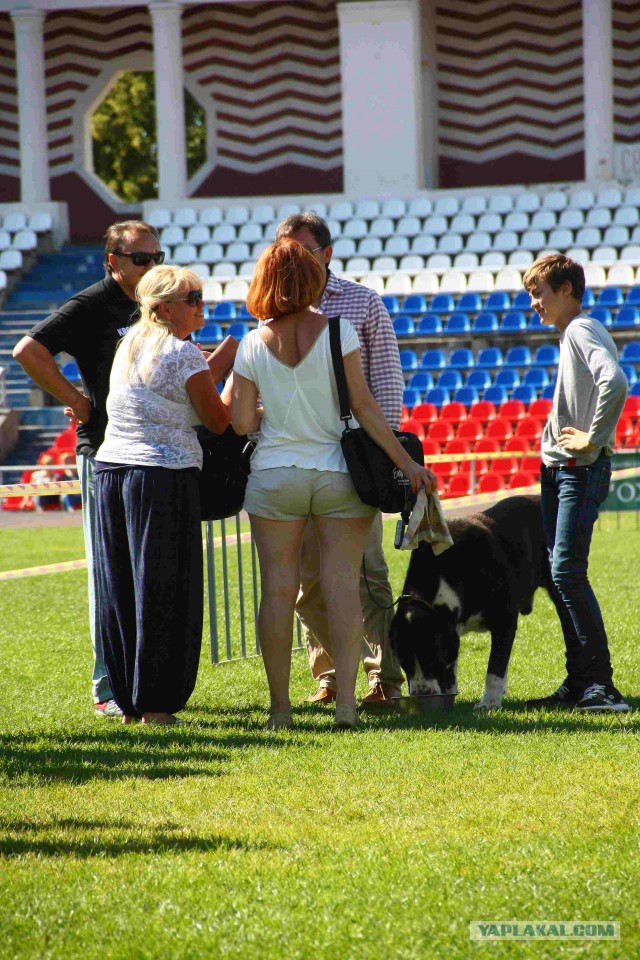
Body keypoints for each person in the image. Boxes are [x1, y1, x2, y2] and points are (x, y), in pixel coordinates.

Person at [231, 239, 436, 730]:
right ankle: (347, 705)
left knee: (279, 592)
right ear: (314, 280)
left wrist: (272, 408)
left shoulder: (250, 343)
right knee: (344, 587)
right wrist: (409, 466)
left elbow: (240, 422)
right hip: (337, 475)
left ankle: (280, 709)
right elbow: (365, 407)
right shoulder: (339, 331)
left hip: (274, 476)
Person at [13, 221, 165, 718]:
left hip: (149, 451)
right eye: (140, 258)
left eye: (156, 256)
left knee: (143, 572)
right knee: (108, 571)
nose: (150, 266)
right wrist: (77, 400)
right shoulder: (90, 304)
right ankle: (108, 687)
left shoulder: (153, 303)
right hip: (102, 452)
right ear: (112, 262)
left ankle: (142, 680)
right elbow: (28, 350)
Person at [274, 212, 407, 709]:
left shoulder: (363, 302)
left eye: (303, 251)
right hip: (296, 455)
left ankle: (383, 678)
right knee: (308, 577)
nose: (292, 260)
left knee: (367, 572)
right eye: (284, 250)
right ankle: (328, 674)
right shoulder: (271, 305)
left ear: (326, 254)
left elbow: (386, 386)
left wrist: (385, 457)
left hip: (355, 456)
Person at [94, 265, 230, 725]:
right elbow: (217, 420)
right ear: (164, 307)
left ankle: (130, 701)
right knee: (164, 588)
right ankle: (157, 703)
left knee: (122, 588)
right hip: (162, 477)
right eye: (192, 298)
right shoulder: (183, 353)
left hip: (112, 471)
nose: (201, 306)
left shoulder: (129, 343)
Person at [523, 254, 630, 712]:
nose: (534, 304)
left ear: (567, 289)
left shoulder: (582, 329)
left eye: (539, 294)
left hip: (579, 469)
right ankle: (579, 681)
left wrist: (592, 436)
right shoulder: (570, 335)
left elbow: (617, 381)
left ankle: (601, 686)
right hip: (561, 468)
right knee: (558, 572)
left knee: (566, 571)